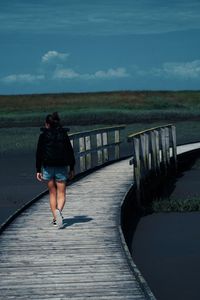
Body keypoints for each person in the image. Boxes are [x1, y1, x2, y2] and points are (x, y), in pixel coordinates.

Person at [36, 112, 75, 228]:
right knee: (61, 193)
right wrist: (72, 167)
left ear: (47, 124)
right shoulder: (63, 135)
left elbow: (39, 153)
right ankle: (58, 212)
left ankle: (55, 217)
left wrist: (38, 169)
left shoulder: (43, 136)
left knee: (52, 193)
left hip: (47, 167)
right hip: (61, 167)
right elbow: (70, 152)